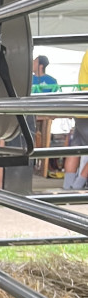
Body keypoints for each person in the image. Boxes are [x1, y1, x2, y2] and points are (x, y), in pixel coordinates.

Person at [64, 48, 88, 191]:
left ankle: (67, 186)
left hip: (81, 108)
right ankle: (78, 185)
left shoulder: (87, 53)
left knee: (76, 148)